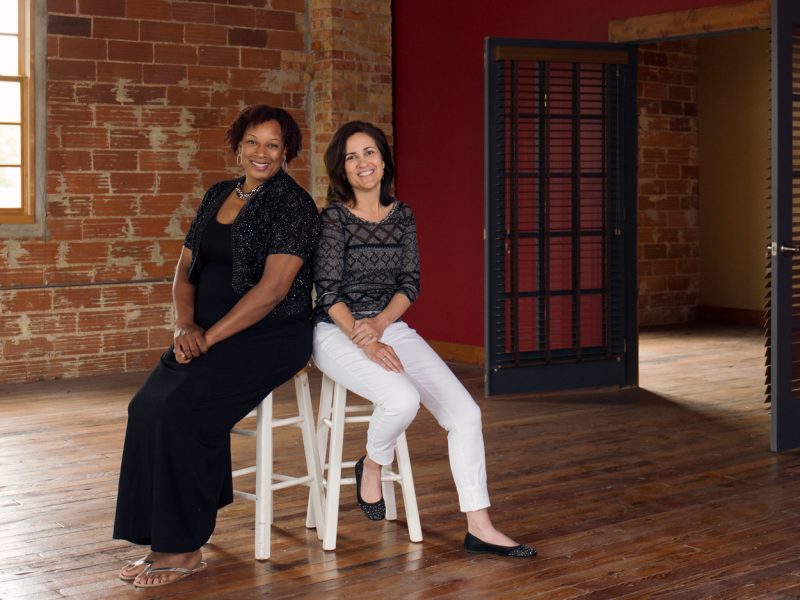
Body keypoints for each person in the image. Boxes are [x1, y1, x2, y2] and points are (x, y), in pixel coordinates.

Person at [113, 105, 321, 588]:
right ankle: (159, 539)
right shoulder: (217, 194)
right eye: (252, 142)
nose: (261, 153)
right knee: (145, 407)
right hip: (202, 332)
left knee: (181, 409)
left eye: (273, 145)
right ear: (238, 146)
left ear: (286, 152)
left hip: (270, 336)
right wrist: (185, 325)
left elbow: (272, 291)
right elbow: (185, 268)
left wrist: (207, 337)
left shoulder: (294, 205)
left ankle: (185, 550)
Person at [311, 121, 536, 558]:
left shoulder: (403, 215)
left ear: (383, 160)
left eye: (370, 152)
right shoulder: (333, 218)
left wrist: (380, 326)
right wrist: (365, 339)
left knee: (466, 414)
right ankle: (373, 464)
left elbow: (410, 283)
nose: (363, 162)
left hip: (387, 324)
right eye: (352, 156)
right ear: (341, 168)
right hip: (335, 329)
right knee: (402, 399)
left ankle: (480, 528)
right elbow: (329, 292)